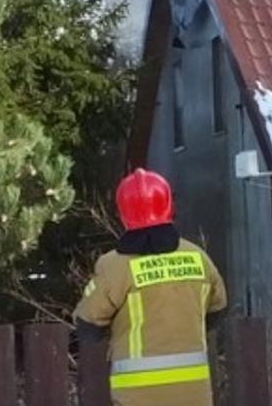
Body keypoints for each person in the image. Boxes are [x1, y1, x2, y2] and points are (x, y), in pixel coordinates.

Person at [74, 169, 227, 406]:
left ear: (124, 214)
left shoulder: (114, 266)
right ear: (168, 206)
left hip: (137, 394)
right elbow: (217, 311)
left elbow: (87, 324)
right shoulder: (198, 257)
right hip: (193, 392)